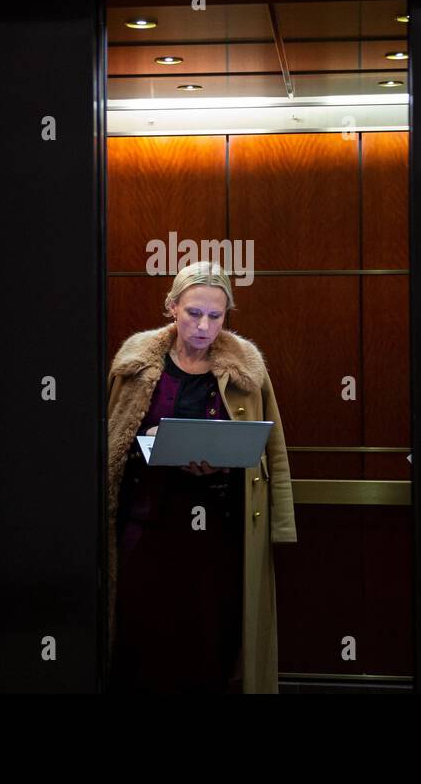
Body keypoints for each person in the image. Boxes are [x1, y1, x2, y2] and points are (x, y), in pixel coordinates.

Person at [106, 261, 297, 693]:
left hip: (216, 527)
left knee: (209, 634)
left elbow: (274, 450)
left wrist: (279, 523)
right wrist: (150, 439)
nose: (204, 325)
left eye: (216, 315)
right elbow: (112, 442)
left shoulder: (246, 368)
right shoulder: (136, 365)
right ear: (172, 308)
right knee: (143, 631)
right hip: (148, 521)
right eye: (194, 313)